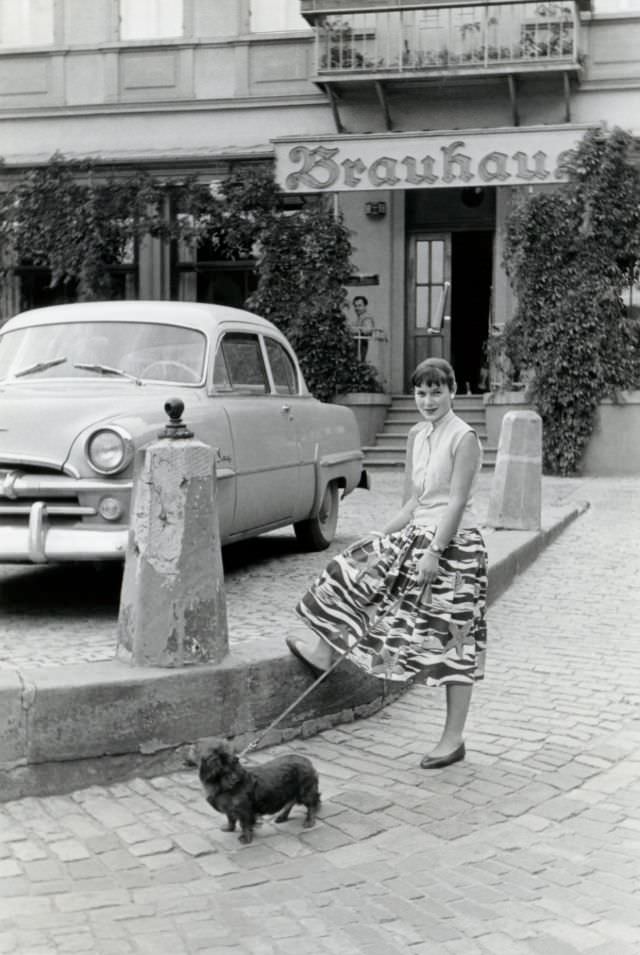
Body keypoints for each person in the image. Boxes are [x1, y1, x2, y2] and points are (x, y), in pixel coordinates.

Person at [286, 357, 488, 769]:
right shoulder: (418, 435)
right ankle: (324, 653)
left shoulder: (463, 438)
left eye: (436, 391)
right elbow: (416, 500)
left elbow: (456, 502)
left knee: (452, 637)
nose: (428, 400)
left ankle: (453, 739)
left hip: (456, 546)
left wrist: (435, 552)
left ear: (452, 391)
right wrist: (383, 534)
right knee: (349, 570)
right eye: (421, 391)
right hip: (418, 534)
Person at [351, 295, 375, 361]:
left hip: (362, 347)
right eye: (355, 306)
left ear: (365, 306)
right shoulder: (360, 318)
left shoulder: (367, 317)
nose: (357, 308)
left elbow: (367, 330)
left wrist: (354, 330)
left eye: (359, 306)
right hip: (357, 347)